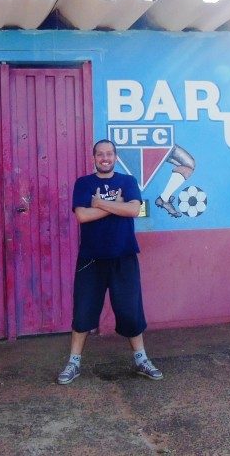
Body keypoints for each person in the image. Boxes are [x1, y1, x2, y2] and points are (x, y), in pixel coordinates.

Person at [57, 139, 163, 385]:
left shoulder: (128, 181)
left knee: (130, 310)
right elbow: (82, 215)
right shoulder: (83, 183)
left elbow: (134, 210)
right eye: (100, 154)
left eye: (109, 154)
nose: (104, 158)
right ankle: (73, 363)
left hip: (123, 256)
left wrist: (100, 204)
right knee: (83, 311)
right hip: (91, 259)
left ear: (115, 157)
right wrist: (117, 205)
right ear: (93, 158)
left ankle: (141, 360)